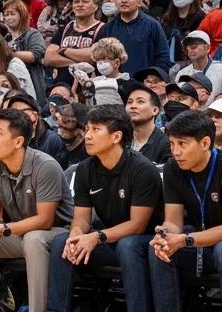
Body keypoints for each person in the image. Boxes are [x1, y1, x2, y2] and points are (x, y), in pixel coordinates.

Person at [136, 111, 222, 312]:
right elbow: (173, 221)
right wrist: (165, 233)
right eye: (172, 144)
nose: (175, 152)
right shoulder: (172, 168)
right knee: (161, 248)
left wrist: (184, 239)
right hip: (208, 242)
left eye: (182, 144)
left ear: (204, 143)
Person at [46, 104, 160, 312]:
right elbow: (81, 217)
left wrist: (96, 237)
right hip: (108, 240)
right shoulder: (84, 169)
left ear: (116, 137)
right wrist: (77, 235)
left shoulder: (143, 169)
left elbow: (137, 225)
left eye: (95, 130)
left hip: (145, 241)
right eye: (87, 128)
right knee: (63, 241)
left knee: (128, 244)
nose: (87, 135)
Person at [0, 108, 71, 312]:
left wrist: (3, 229)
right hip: (18, 231)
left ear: (18, 142)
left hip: (60, 234)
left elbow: (45, 220)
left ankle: (38, 308)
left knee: (34, 239)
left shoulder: (45, 165)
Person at [100, 0, 170, 76]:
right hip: (115, 83)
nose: (124, 0)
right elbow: (101, 59)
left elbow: (163, 57)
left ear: (139, 0)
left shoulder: (152, 25)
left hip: (145, 83)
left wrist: (154, 78)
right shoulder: (108, 28)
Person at [125, 85, 170, 164]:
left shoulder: (165, 144)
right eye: (129, 102)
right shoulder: (119, 140)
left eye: (140, 101)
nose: (133, 106)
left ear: (155, 110)